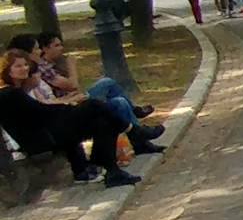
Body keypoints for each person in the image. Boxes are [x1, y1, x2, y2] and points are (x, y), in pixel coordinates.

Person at [0, 49, 145, 186]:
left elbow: (41, 112)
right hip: (41, 141)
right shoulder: (9, 93)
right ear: (7, 70)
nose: (24, 68)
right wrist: (70, 106)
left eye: (25, 64)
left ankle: (112, 171)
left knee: (102, 122)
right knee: (93, 105)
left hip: (49, 132)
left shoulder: (17, 90)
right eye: (18, 66)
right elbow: (42, 112)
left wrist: (69, 106)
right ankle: (132, 131)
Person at [26, 31, 158, 136]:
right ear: (45, 48)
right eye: (57, 45)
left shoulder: (53, 64)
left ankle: (140, 137)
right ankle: (136, 118)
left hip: (73, 101)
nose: (62, 48)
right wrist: (72, 66)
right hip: (70, 107)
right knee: (107, 82)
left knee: (120, 101)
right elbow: (72, 85)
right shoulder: (43, 68)